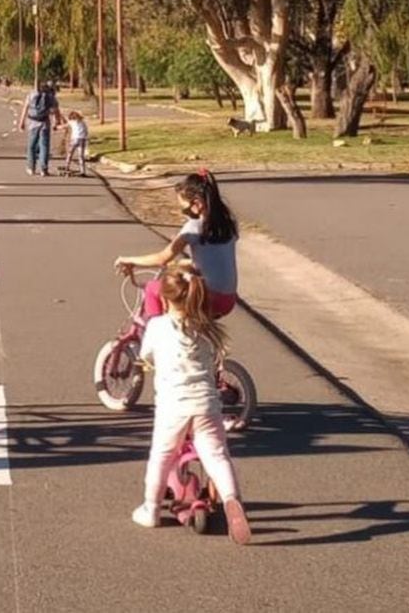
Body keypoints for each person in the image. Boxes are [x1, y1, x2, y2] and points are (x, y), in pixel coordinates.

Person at [131, 263, 251, 544]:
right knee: (217, 455)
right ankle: (232, 499)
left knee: (161, 456)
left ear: (164, 299)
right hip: (207, 405)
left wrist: (150, 362)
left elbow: (147, 354)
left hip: (174, 407)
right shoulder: (207, 330)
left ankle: (151, 509)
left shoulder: (158, 326)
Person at [114, 170, 239, 321]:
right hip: (228, 300)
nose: (185, 214)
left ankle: (156, 334)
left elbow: (162, 258)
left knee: (153, 290)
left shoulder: (194, 227)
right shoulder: (229, 224)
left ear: (197, 204)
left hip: (207, 298)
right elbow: (216, 257)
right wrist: (185, 263)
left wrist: (129, 260)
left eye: (185, 209)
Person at [18, 81, 63, 176]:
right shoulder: (51, 97)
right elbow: (56, 111)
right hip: (45, 122)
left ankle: (31, 167)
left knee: (32, 146)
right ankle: (44, 169)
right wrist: (57, 122)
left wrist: (21, 122)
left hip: (33, 122)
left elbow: (25, 108)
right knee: (44, 146)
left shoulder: (31, 95)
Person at [64, 110, 89, 176]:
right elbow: (86, 131)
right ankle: (83, 170)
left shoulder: (72, 122)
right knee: (81, 156)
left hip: (75, 139)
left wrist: (56, 127)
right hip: (82, 139)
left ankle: (67, 167)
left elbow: (65, 126)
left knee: (70, 154)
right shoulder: (83, 122)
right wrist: (86, 137)